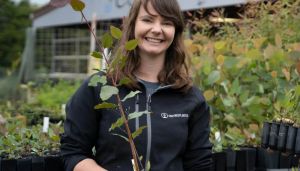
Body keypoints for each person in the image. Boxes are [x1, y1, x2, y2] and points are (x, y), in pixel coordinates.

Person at [60, 0, 212, 170]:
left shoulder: (190, 96)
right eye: (148, 20)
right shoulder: (100, 87)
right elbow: (73, 152)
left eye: (167, 23)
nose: (156, 29)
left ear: (175, 31)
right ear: (132, 25)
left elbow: (199, 164)